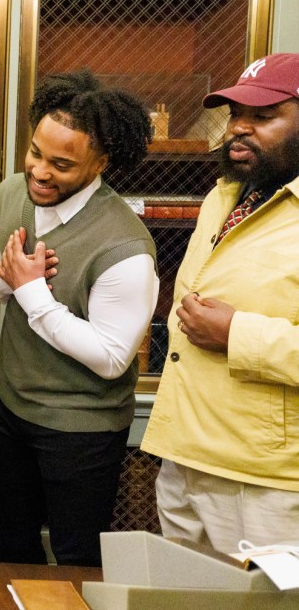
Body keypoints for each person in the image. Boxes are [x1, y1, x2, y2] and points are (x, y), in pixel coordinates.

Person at [0, 69, 157, 567]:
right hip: (12, 410)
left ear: (101, 162)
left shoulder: (124, 246)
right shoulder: (11, 193)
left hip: (83, 429)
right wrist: (9, 277)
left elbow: (110, 358)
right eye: (36, 152)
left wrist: (33, 292)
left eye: (61, 164)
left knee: (76, 559)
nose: (39, 172)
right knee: (10, 545)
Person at [140, 53, 299, 552]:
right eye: (235, 115)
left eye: (264, 117)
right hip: (184, 457)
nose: (239, 129)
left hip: (264, 479)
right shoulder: (224, 196)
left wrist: (238, 335)